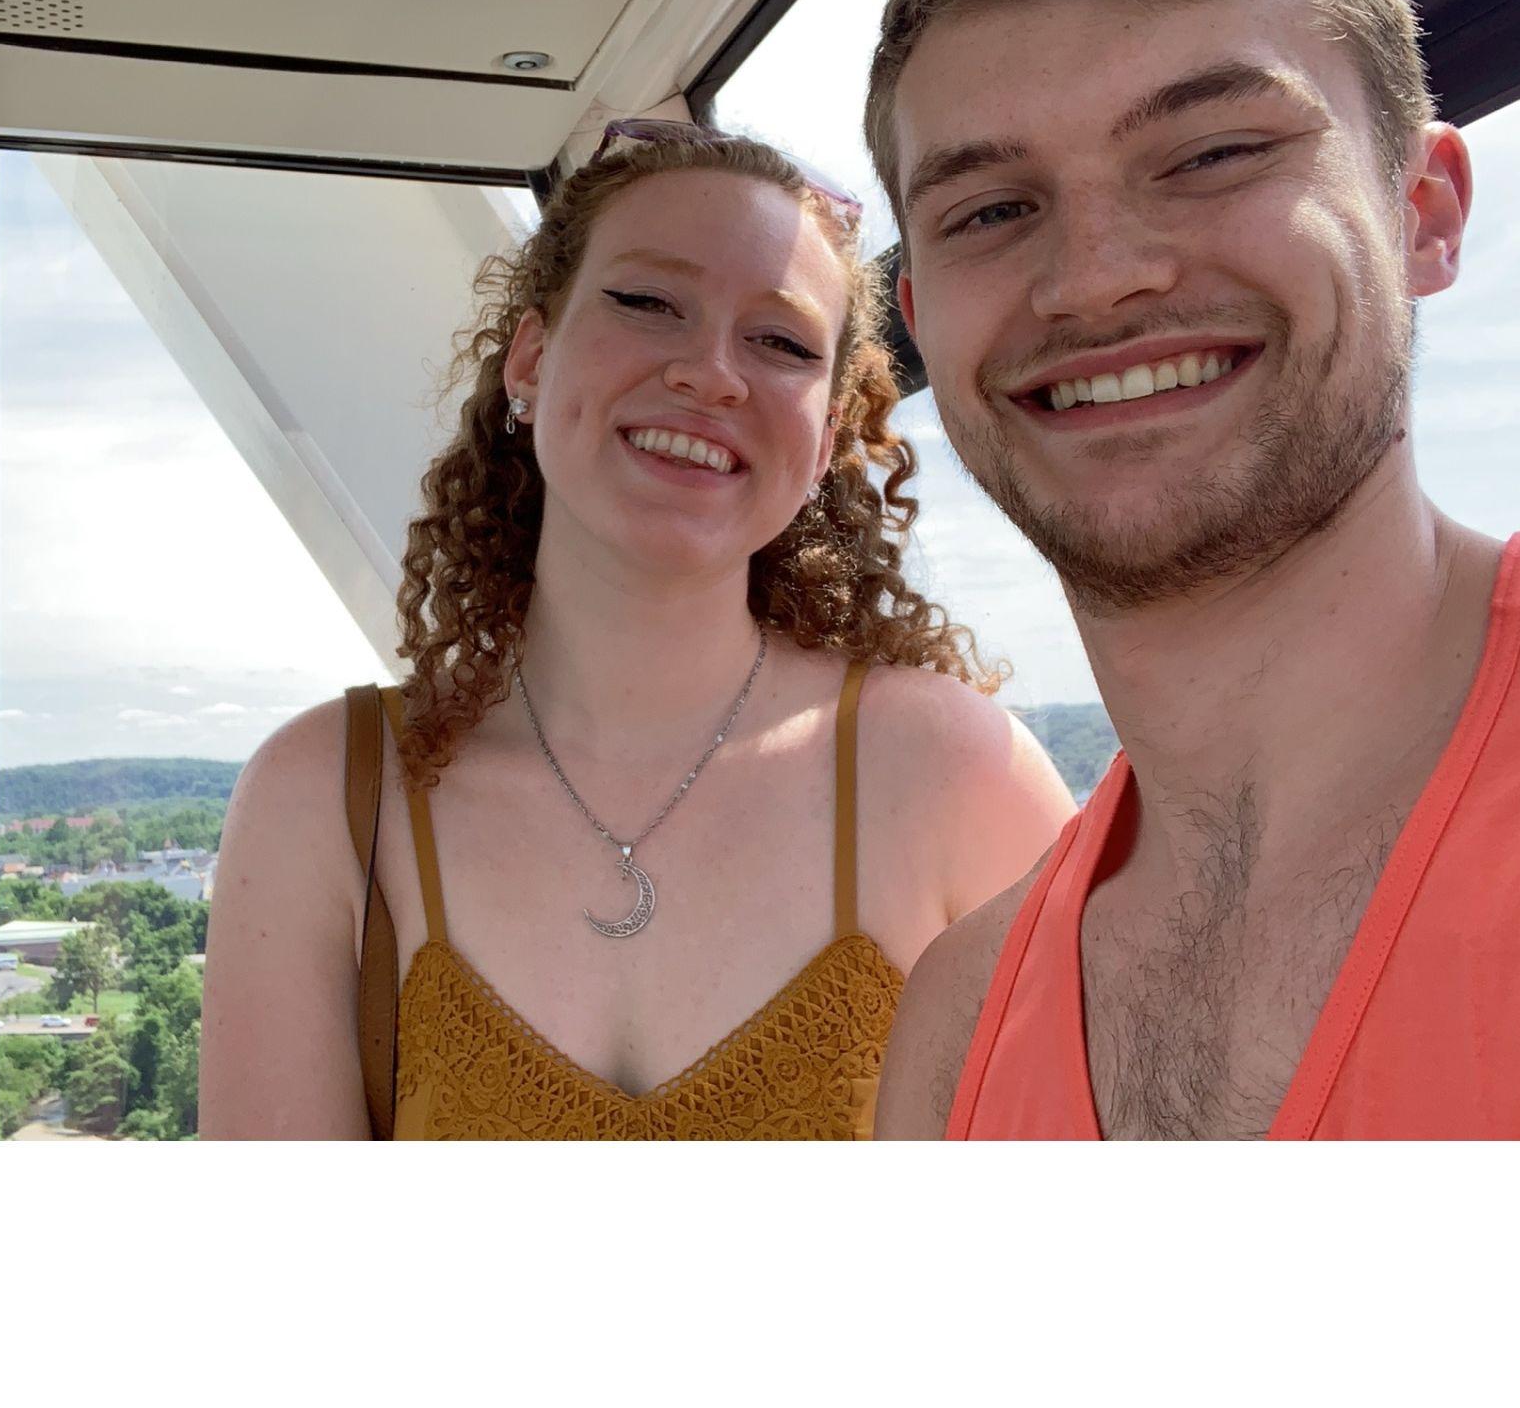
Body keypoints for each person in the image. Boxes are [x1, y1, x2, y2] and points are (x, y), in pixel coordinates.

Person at [865, 0, 1520, 1140]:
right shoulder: (959, 1030)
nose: (1095, 275)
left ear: (1424, 212)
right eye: (990, 211)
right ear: (921, 315)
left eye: (1215, 152)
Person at [201, 117, 1074, 1138]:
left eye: (781, 342)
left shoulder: (955, 778)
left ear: (828, 435)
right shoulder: (327, 804)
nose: (711, 373)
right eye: (647, 303)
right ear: (530, 359)